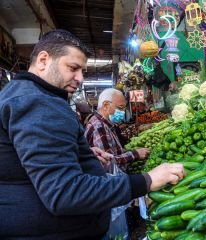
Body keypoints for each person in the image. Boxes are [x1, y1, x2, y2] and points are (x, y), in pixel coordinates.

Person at [0, 29, 185, 239]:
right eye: (73, 68)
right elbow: (65, 192)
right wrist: (147, 180)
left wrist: (79, 155)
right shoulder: (38, 103)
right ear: (43, 60)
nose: (79, 78)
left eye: (82, 71)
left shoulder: (19, 94)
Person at [85, 88, 149, 172]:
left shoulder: (105, 123)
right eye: (120, 108)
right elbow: (109, 162)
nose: (123, 112)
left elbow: (114, 151)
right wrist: (135, 154)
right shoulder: (99, 127)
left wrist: (131, 151)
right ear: (106, 105)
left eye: (124, 108)